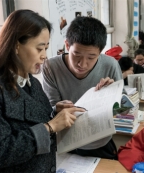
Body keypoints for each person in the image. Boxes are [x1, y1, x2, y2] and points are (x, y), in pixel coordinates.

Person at [0, 10, 84, 173]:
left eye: (46, 48)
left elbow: (31, 122)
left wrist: (55, 113)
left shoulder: (31, 82)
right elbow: (0, 151)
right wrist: (51, 126)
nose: (44, 56)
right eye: (39, 49)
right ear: (16, 45)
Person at [42, 16, 123, 160]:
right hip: (66, 143)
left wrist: (111, 95)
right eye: (76, 55)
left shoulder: (110, 65)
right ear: (67, 45)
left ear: (101, 51)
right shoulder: (51, 67)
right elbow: (50, 109)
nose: (82, 64)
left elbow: (120, 110)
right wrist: (57, 108)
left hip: (101, 143)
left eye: (91, 57)